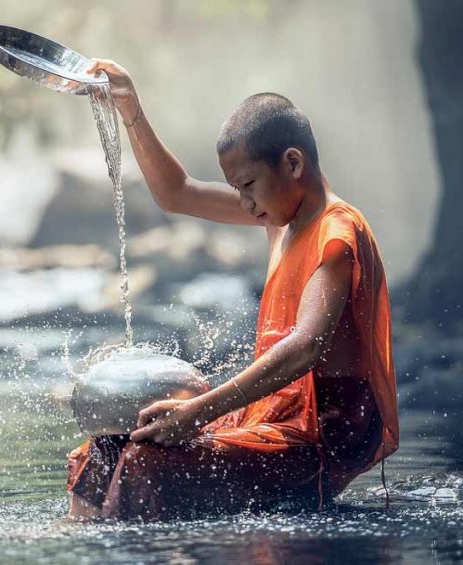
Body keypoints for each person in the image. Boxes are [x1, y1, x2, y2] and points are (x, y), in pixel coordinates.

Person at [66, 59, 399, 521]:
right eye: (236, 189)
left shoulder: (335, 232)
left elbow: (306, 346)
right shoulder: (280, 212)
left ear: (293, 164)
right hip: (269, 416)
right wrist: (130, 108)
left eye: (247, 186)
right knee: (102, 449)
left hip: (318, 438)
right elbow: (176, 193)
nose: (244, 204)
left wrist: (198, 412)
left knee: (144, 462)